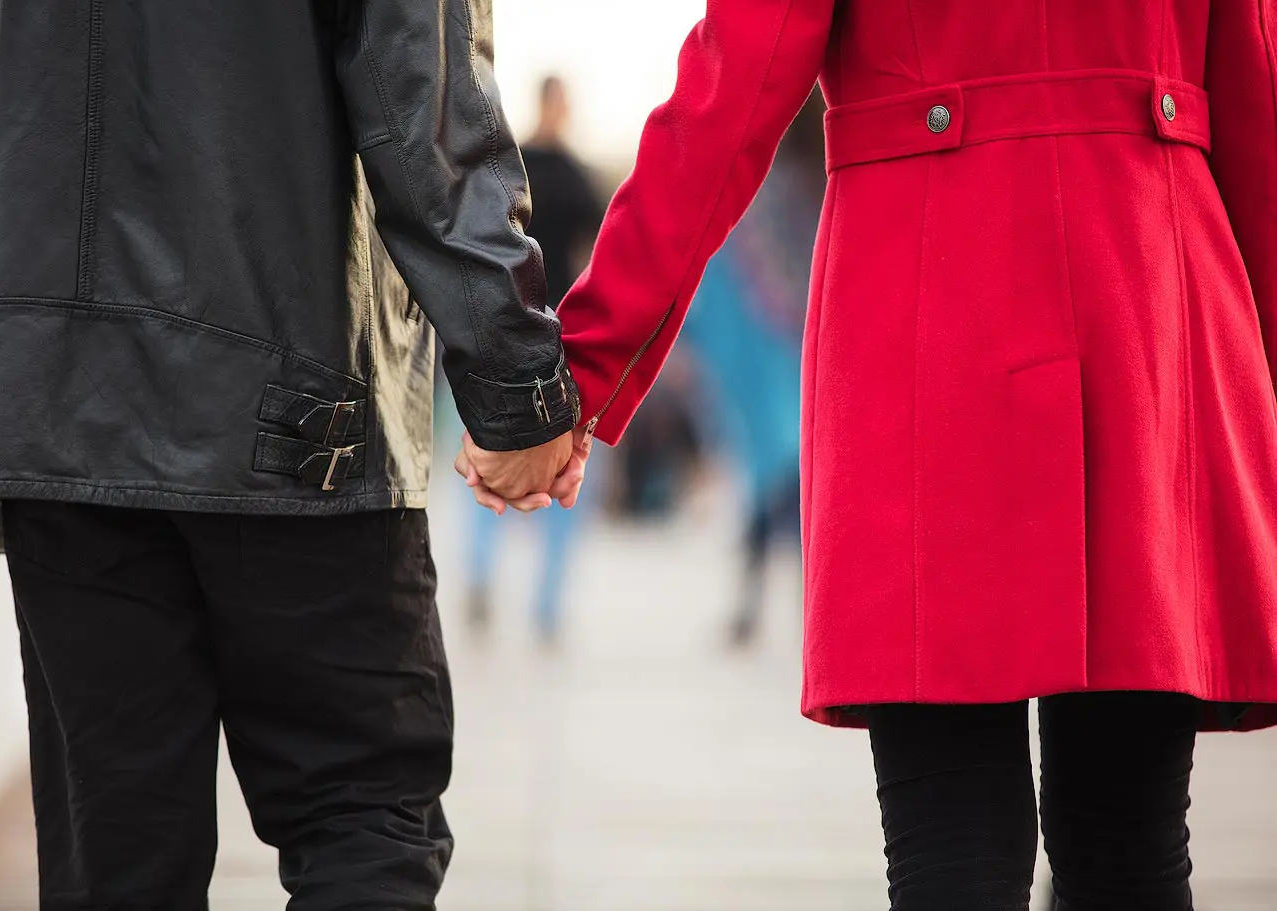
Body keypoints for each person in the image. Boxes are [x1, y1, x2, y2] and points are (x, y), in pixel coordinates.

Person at [460, 2, 1277, 908]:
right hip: (1150, 300)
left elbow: (730, 93)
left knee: (952, 853)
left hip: (933, 311)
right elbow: (1257, 107)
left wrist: (577, 372)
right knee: (1133, 840)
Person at [0, 2, 578, 909]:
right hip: (297, 388)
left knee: (118, 856)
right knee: (361, 818)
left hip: (42, 379)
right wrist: (515, 383)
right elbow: (419, 85)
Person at [681, 89, 825, 645]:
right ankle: (801, 607)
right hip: (807, 353)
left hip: (776, 358)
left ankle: (763, 606)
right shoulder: (823, 181)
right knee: (796, 486)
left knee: (774, 485)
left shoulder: (765, 189)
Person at [465, 76, 602, 642]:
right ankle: (534, 602)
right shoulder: (564, 174)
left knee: (495, 455)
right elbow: (590, 255)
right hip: (550, 329)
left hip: (516, 326)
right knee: (553, 473)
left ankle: (513, 592)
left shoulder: (513, 168)